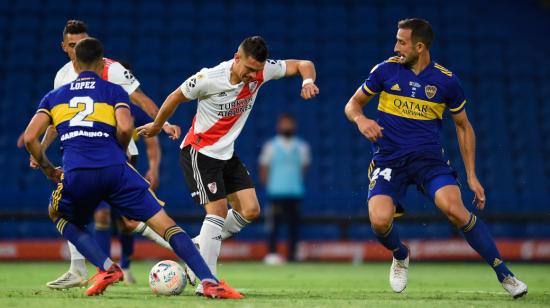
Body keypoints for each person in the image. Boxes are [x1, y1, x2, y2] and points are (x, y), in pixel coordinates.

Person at [23, 37, 243, 299]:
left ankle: (105, 268)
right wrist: (119, 149)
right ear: (102, 62)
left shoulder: (54, 97)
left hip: (77, 172)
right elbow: (126, 127)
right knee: (166, 224)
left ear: (75, 63)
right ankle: (209, 281)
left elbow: (29, 138)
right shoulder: (114, 91)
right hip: (116, 170)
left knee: (59, 215)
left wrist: (48, 168)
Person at [343, 18, 527, 298]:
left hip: (428, 161)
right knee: (379, 222)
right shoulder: (385, 71)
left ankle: (505, 274)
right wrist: (360, 120)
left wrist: (472, 175)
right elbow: (352, 104)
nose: (396, 47)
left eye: (401, 42)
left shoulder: (446, 81)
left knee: (455, 210)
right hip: (389, 160)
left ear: (420, 46)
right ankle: (401, 254)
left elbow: (464, 126)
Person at [137, 36, 319, 294]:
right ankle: (207, 282)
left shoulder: (262, 71)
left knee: (251, 210)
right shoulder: (209, 78)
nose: (252, 74)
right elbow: (175, 97)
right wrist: (157, 126)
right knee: (217, 211)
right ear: (237, 57)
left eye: (257, 69)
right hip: (199, 152)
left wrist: (307, 81)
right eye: (248, 68)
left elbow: (304, 64)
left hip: (226, 154)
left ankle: (197, 247)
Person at [34, 20, 178, 289]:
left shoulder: (111, 69)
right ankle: (80, 270)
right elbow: (55, 120)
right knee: (82, 212)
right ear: (64, 47)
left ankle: (182, 249)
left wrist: (163, 122)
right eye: (73, 45)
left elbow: (141, 99)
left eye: (83, 42)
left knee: (127, 220)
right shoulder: (62, 76)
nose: (79, 48)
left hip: (117, 154)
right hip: (79, 154)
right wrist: (41, 148)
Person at [258, 113, 310, 264]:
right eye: (284, 123)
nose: (287, 126)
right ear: (278, 126)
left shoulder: (302, 146)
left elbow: (304, 168)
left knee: (294, 225)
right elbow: (264, 168)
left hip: (294, 192)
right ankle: (272, 253)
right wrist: (268, 186)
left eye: (289, 123)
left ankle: (292, 255)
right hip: (275, 192)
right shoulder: (271, 146)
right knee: (273, 225)